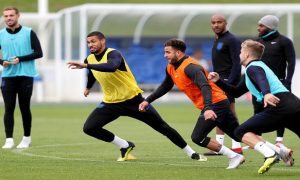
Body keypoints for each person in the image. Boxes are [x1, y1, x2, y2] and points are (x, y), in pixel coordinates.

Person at [66, 31, 206, 162]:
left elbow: (111, 66)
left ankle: (191, 153)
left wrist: (86, 65)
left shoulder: (114, 54)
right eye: (88, 43)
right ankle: (125, 145)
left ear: (103, 41)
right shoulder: (89, 59)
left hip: (134, 101)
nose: (90, 45)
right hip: (111, 103)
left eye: (93, 41)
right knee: (89, 128)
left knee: (162, 127)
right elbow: (91, 73)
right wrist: (88, 87)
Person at [139, 39, 245, 169]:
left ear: (178, 53)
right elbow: (165, 86)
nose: (165, 55)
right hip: (218, 103)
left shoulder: (191, 67)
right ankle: (273, 150)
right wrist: (147, 100)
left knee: (198, 137)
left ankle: (234, 156)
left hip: (215, 104)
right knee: (239, 135)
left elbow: (205, 86)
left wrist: (207, 108)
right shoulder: (171, 67)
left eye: (168, 52)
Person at [208, 39, 297, 174]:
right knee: (250, 131)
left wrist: (266, 93)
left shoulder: (253, 67)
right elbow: (236, 92)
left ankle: (271, 155)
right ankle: (281, 153)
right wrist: (218, 81)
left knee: (240, 132)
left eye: (240, 52)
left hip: (279, 105)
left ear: (247, 55)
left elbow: (261, 79)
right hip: (293, 104)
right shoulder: (255, 67)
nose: (239, 55)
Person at [0, 6, 43, 149]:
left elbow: (39, 53)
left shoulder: (29, 33)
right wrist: (2, 62)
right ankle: (9, 139)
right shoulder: (1, 34)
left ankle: (26, 138)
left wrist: (21, 59)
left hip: (26, 75)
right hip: (8, 76)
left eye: (11, 15)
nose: (8, 18)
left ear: (18, 16)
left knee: (25, 107)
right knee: (8, 108)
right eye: (6, 16)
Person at [255, 15, 296, 145]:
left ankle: (279, 140)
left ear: (270, 27)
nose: (258, 28)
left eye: (261, 26)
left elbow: (292, 62)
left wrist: (288, 81)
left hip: (278, 83)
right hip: (260, 83)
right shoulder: (258, 41)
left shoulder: (284, 41)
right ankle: (257, 138)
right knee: (257, 109)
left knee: (280, 111)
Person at [207, 14, 242, 155]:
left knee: (230, 114)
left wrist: (231, 83)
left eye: (219, 22)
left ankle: (236, 146)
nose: (216, 25)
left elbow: (237, 63)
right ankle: (220, 146)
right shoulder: (218, 39)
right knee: (220, 113)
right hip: (218, 82)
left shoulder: (231, 40)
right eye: (213, 22)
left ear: (225, 23)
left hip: (227, 82)